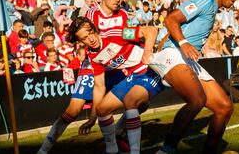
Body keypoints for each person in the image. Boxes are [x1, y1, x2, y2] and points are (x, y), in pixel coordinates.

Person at [151, 0, 239, 154]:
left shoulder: (213, 7)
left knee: (224, 107)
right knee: (197, 100)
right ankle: (166, 150)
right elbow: (171, 19)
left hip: (185, 57)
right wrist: (184, 43)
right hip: (172, 51)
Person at [65, 17, 165, 154]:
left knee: (131, 102)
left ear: (95, 29)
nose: (91, 39)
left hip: (149, 70)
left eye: (91, 33)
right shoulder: (93, 56)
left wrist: (147, 52)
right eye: (84, 38)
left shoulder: (115, 33)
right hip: (132, 77)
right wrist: (92, 118)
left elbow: (151, 30)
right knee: (102, 109)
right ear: (81, 41)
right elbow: (99, 87)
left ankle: (135, 151)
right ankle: (112, 150)